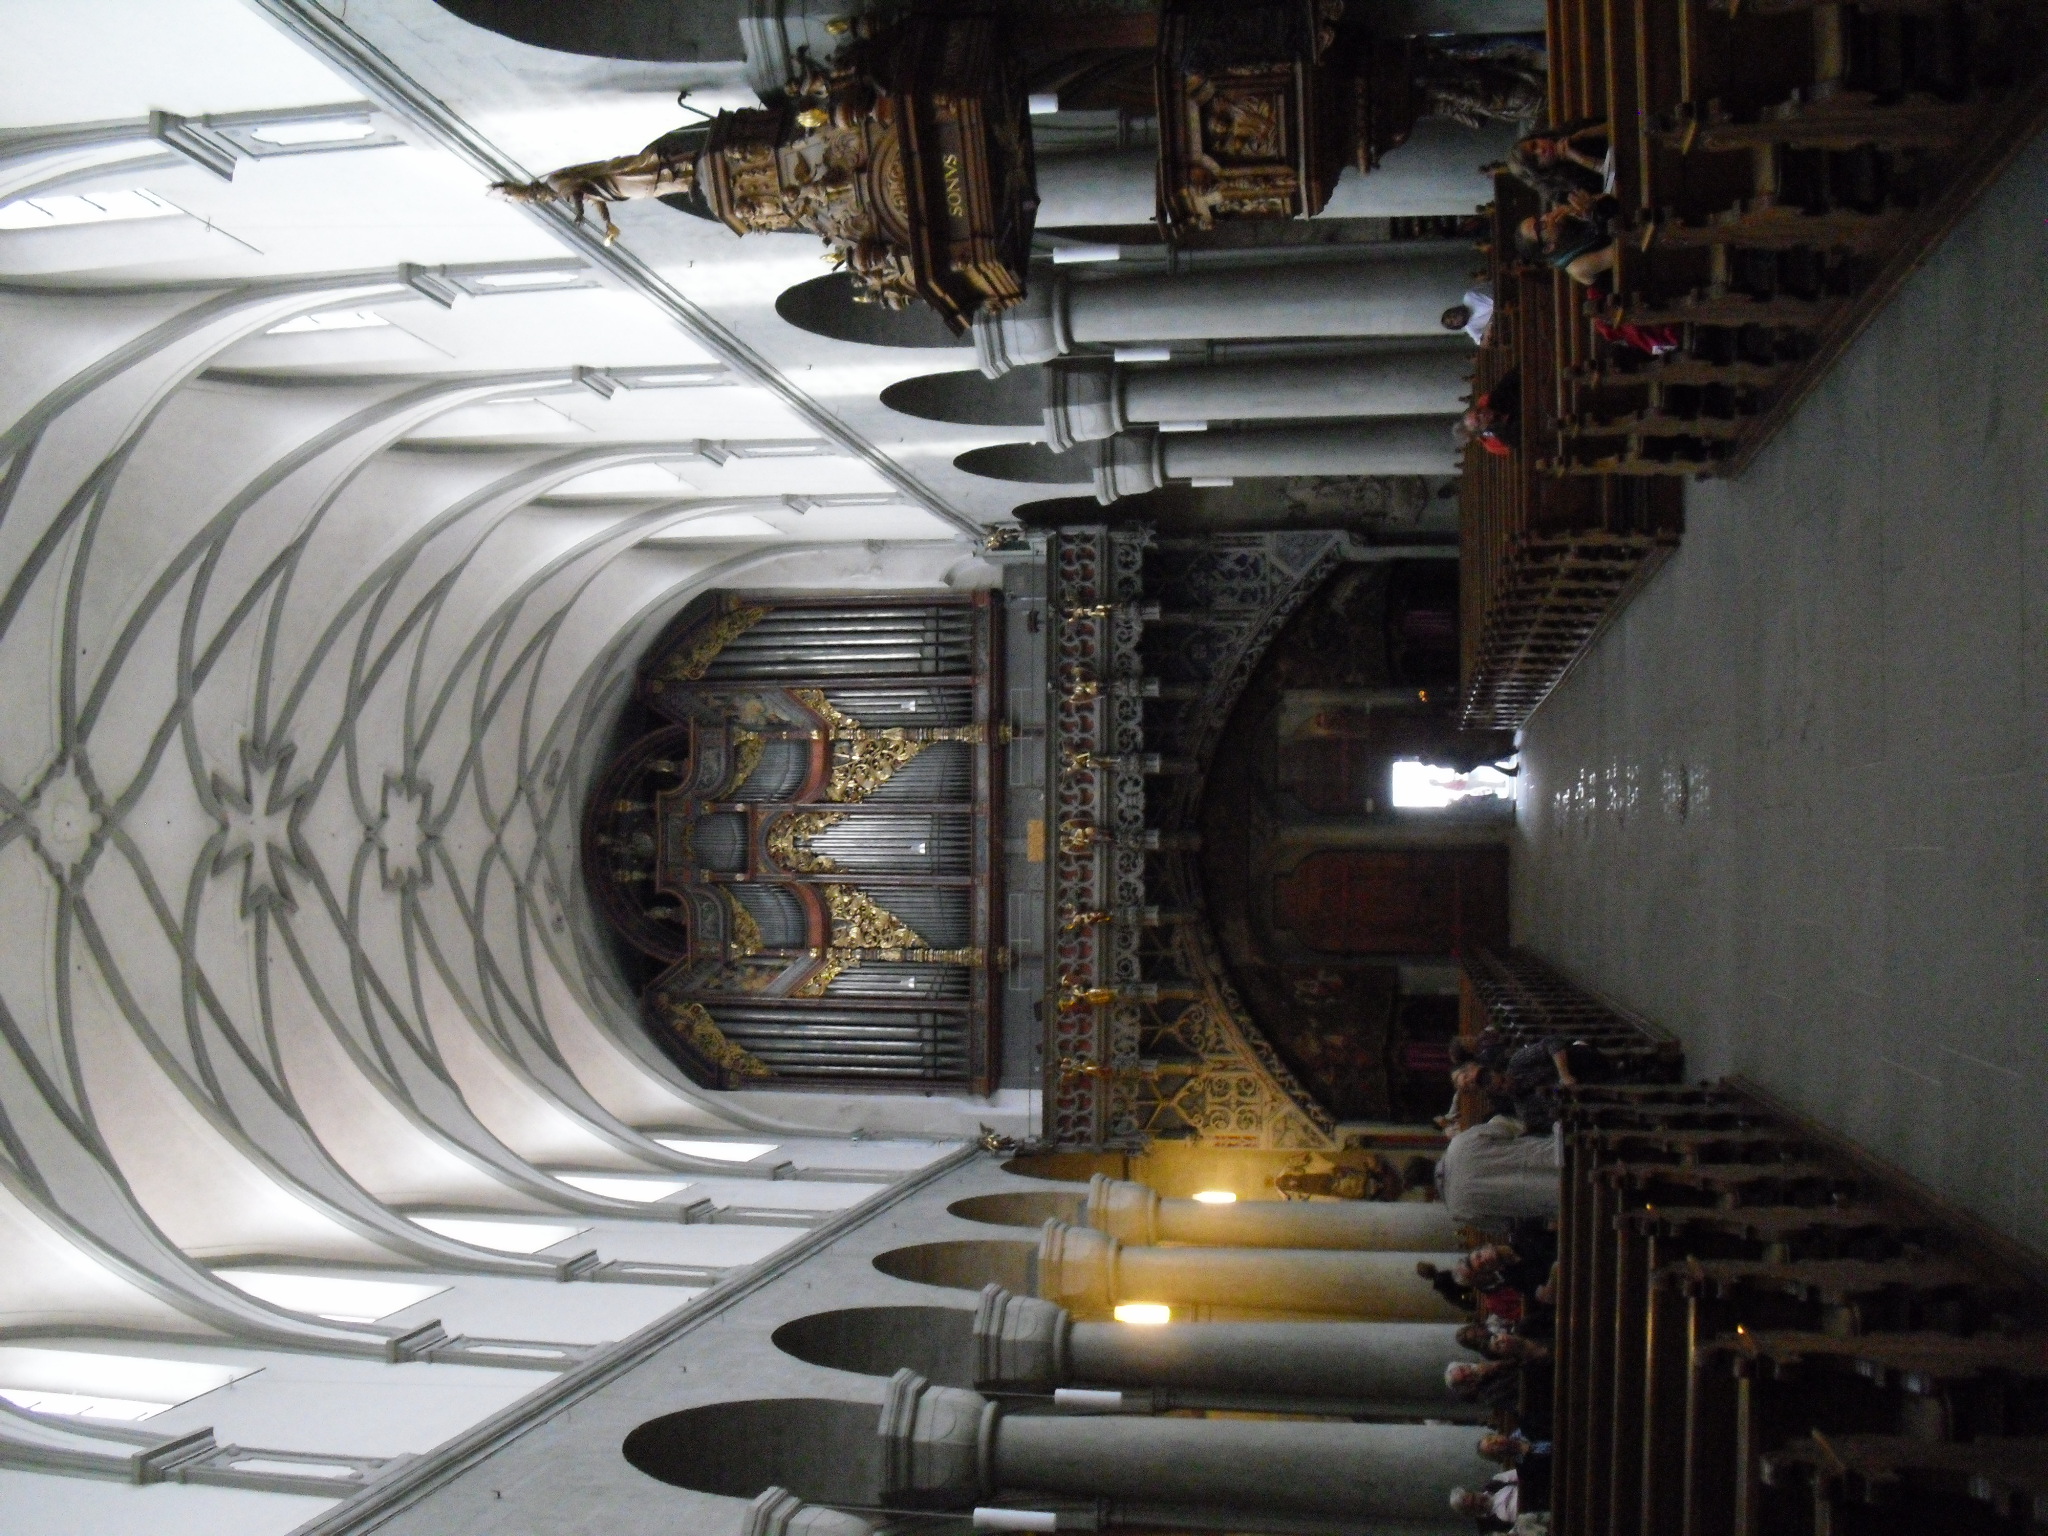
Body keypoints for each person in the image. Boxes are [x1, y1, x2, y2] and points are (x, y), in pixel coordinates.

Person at [1437, 1114, 1561, 1222]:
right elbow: (1504, 1129)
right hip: (1549, 1155)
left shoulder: (1457, 1209)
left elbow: (1502, 1225)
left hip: (1550, 1197)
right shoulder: (1459, 1144)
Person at [1459, 369, 1521, 457]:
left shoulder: (1497, 397)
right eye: (1478, 420)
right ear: (1482, 429)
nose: (1482, 415)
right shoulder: (1506, 436)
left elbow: (1517, 372)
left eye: (1478, 411)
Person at [1450, 1471, 1522, 1532]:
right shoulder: (1488, 1528)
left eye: (1474, 1498)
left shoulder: (1497, 1480)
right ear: (1471, 1513)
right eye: (1473, 1506)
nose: (1478, 1502)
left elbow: (1523, 1472)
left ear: (1475, 1491)